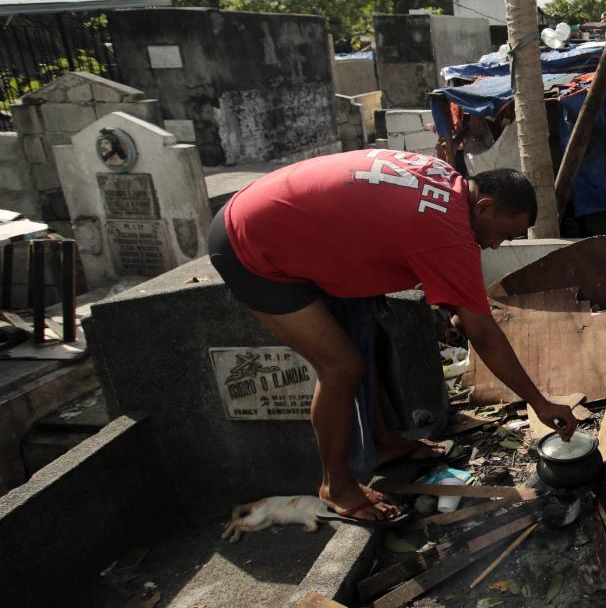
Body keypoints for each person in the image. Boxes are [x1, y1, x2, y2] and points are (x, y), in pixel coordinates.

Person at [207, 149, 576, 525]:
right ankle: (335, 485)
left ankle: (382, 443)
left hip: (279, 217)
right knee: (341, 367)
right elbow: (480, 332)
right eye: (501, 234)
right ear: (483, 207)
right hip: (248, 245)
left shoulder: (444, 177)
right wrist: (539, 402)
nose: (496, 246)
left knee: (368, 335)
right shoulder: (448, 234)